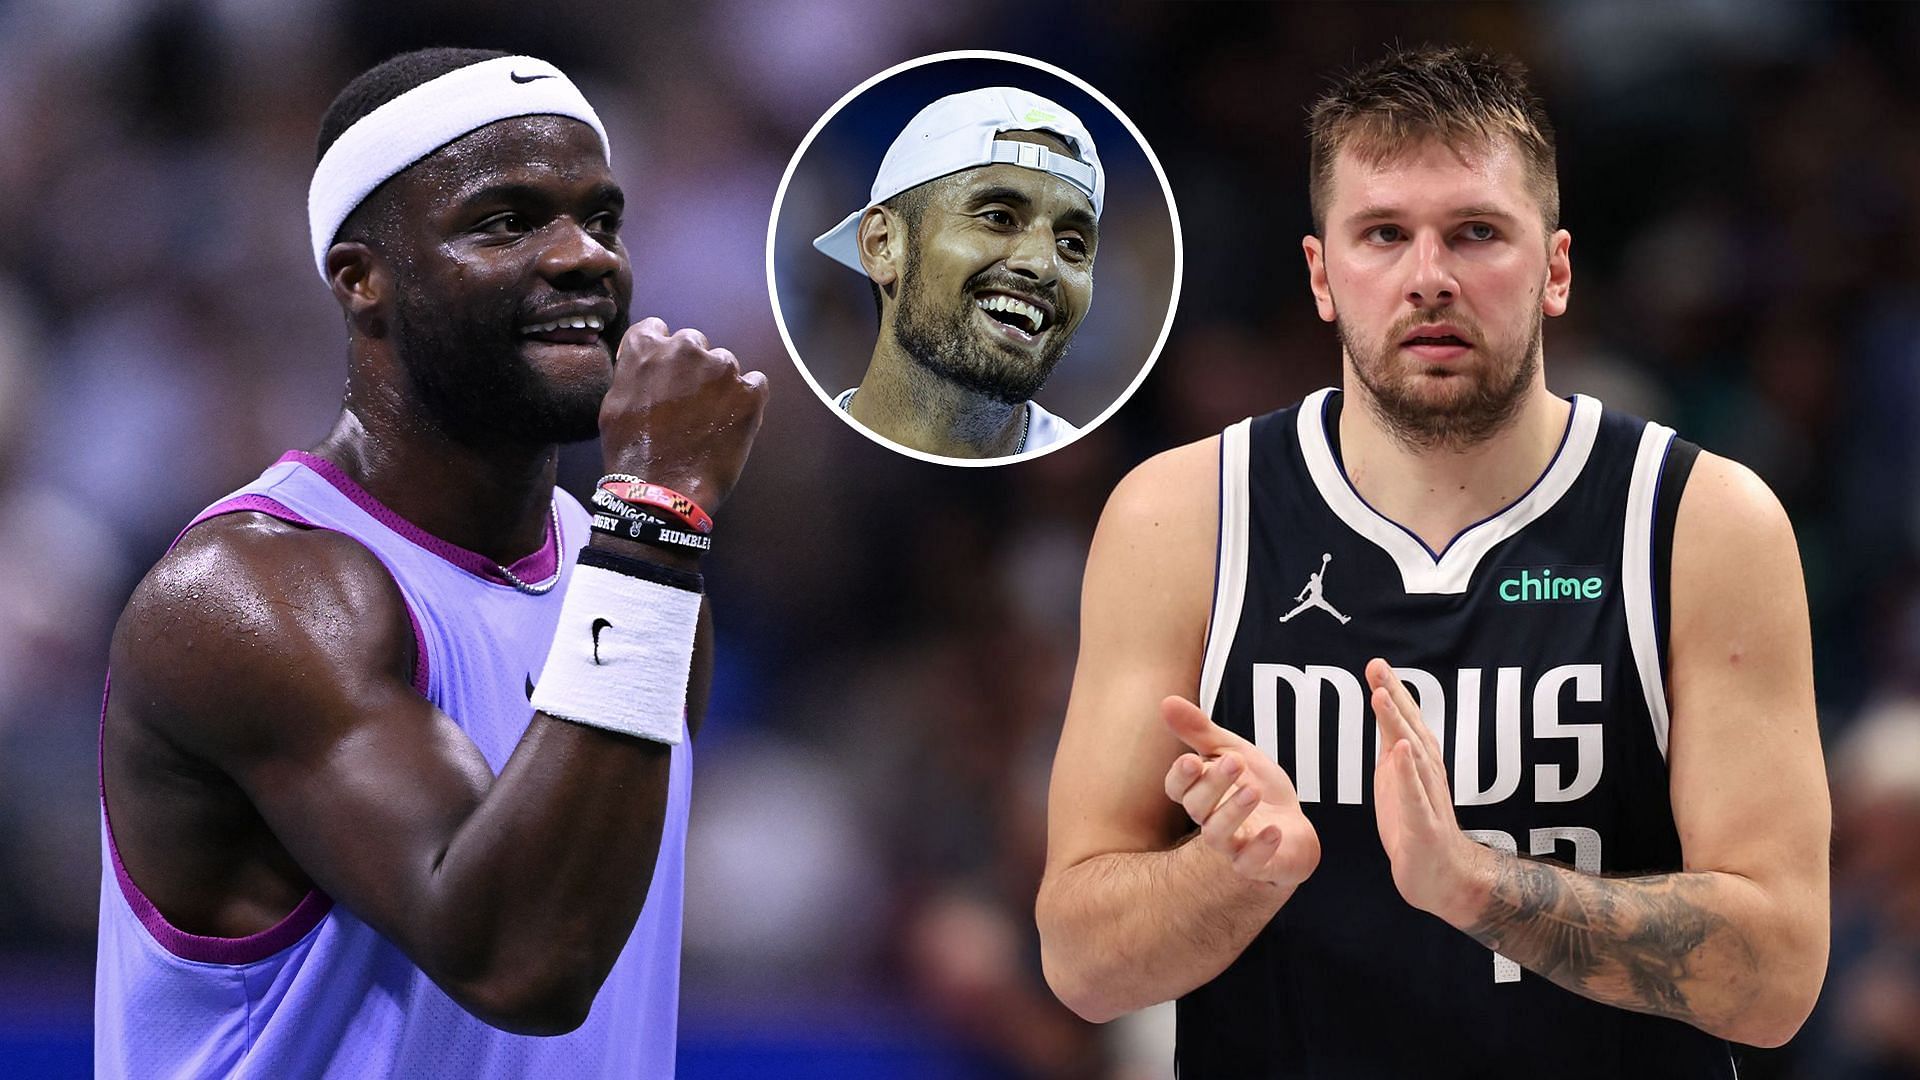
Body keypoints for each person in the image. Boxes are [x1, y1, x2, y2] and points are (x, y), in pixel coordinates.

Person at [1035, 44, 1829, 1078]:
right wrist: (1227, 873)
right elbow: (1080, 963)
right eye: (1382, 235)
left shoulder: (1701, 521)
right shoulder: (1183, 516)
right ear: (1322, 274)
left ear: (1556, 270)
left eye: (1476, 233)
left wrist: (1477, 885)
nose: (1429, 278)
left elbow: (1778, 979)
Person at [94, 47, 768, 1078]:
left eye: (603, 218)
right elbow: (521, 962)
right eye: (505, 221)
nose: (585, 255)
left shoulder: (628, 573)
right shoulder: (250, 595)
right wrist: (656, 520)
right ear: (361, 281)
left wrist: (644, 537)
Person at [812, 86, 1101, 459]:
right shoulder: (783, 467)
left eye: (1072, 244)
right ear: (882, 245)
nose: (1044, 265)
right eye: (998, 217)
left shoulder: (1107, 489)